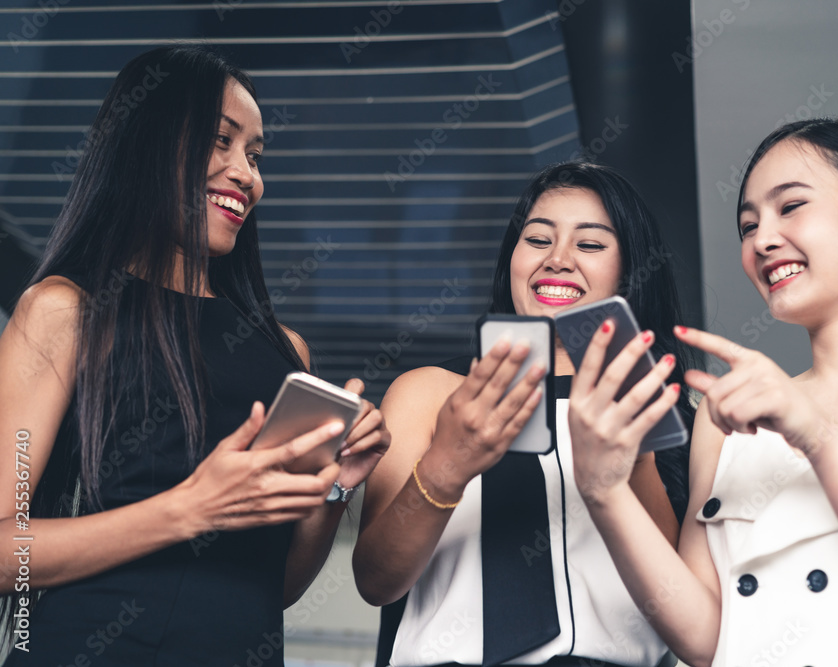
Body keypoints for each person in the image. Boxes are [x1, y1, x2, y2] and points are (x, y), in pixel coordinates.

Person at [0, 46, 389, 665]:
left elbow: (274, 591)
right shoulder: (62, 311)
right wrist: (189, 509)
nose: (247, 175)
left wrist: (332, 492)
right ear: (149, 145)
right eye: (221, 141)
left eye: (256, 156)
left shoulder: (285, 351)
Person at [569, 116, 838, 666]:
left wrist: (817, 435)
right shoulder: (724, 422)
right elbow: (705, 640)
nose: (763, 240)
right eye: (748, 226)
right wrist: (603, 492)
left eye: (790, 206)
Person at [353, 161, 694, 667]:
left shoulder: (672, 410)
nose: (557, 259)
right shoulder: (430, 393)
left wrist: (634, 452)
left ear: (630, 269)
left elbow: (677, 607)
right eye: (537, 240)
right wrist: (448, 465)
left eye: (591, 244)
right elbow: (376, 581)